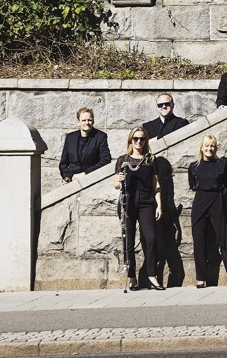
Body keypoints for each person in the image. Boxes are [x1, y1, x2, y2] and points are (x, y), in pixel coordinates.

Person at [187, 134, 227, 288]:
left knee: (224, 239)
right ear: (201, 148)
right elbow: (193, 185)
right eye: (207, 146)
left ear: (215, 148)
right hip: (199, 204)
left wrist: (215, 196)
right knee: (199, 241)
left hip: (217, 201)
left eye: (212, 146)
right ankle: (201, 279)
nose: (209, 148)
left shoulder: (221, 164)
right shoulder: (193, 166)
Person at [113, 128, 164, 290]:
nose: (139, 142)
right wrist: (119, 180)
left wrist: (159, 205)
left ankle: (151, 275)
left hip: (146, 202)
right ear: (130, 140)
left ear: (146, 141)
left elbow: (156, 184)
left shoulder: (150, 159)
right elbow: (115, 184)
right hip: (128, 201)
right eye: (135, 139)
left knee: (151, 238)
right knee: (128, 241)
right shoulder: (123, 160)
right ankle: (132, 277)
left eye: (142, 139)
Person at [59, 107, 111, 183]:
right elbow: (63, 163)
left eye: (89, 120)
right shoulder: (70, 137)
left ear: (93, 121)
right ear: (78, 122)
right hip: (72, 180)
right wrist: (67, 177)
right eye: (83, 120)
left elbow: (105, 160)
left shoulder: (100, 136)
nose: (87, 123)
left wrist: (85, 173)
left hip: (91, 180)